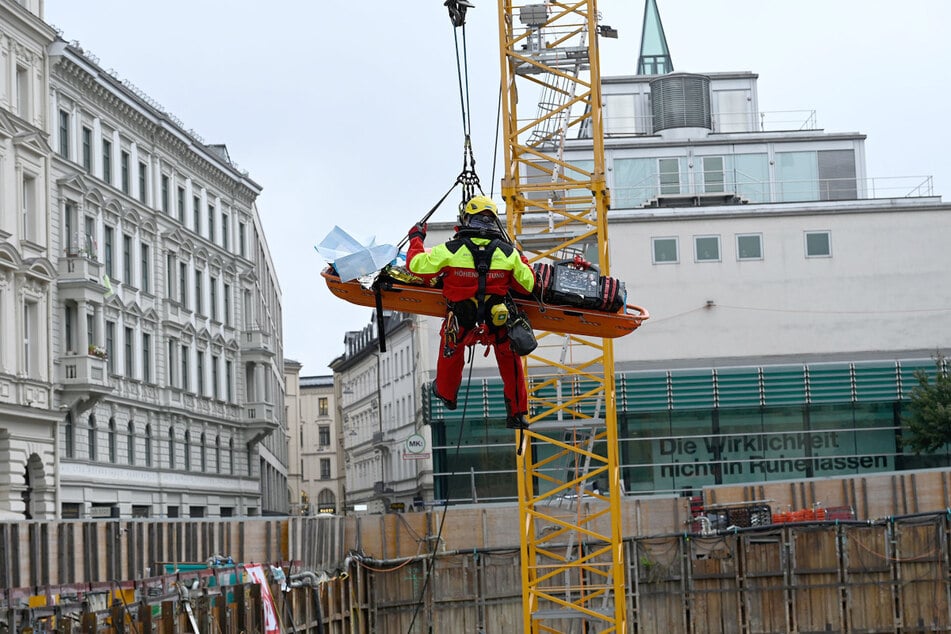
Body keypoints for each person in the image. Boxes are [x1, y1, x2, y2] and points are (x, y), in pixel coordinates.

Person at [406, 195, 536, 429]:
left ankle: (446, 394)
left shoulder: (450, 249)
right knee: (511, 360)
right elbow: (527, 285)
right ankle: (517, 413)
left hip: (461, 316)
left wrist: (416, 238)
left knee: (450, 348)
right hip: (497, 318)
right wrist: (520, 257)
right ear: (494, 222)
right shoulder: (508, 253)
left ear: (466, 219)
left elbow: (416, 267)